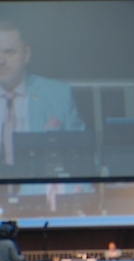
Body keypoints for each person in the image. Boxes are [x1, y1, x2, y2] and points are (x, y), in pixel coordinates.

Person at [0, 21, 85, 168]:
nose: (1, 61)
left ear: (26, 54)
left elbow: (84, 153)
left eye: (9, 52)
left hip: (42, 185)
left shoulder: (59, 94)